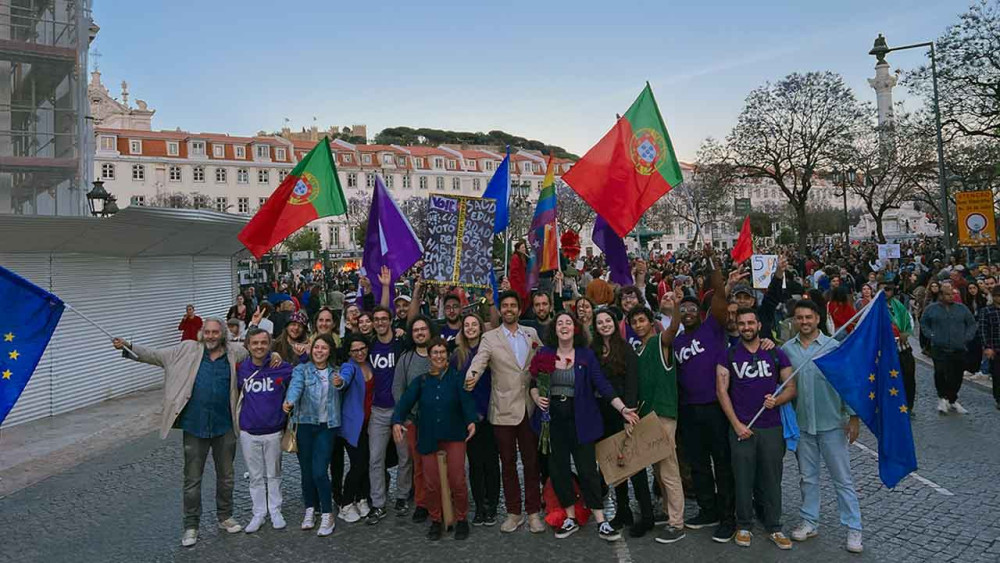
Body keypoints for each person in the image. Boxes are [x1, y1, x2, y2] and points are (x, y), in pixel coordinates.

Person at [111, 319, 282, 547]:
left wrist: (274, 356)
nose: (211, 336)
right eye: (207, 332)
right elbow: (153, 355)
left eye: (215, 332)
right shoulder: (186, 349)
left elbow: (258, 351)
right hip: (195, 426)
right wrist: (127, 345)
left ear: (223, 335)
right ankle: (191, 526)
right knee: (192, 479)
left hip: (224, 426)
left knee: (227, 477)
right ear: (202, 333)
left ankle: (225, 517)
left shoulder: (234, 353)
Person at [530, 311, 639, 542]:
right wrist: (536, 396)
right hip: (553, 422)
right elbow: (534, 383)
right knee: (558, 470)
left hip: (581, 420)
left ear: (576, 328)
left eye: (568, 322)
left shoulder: (586, 355)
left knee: (588, 470)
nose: (564, 326)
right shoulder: (545, 353)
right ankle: (570, 517)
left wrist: (623, 409)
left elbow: (603, 384)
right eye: (560, 323)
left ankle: (601, 520)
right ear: (554, 329)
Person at [781, 300, 863, 554]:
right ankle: (809, 521)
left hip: (832, 424)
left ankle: (854, 527)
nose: (804, 322)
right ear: (794, 320)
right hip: (803, 425)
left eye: (808, 317)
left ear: (817, 318)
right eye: (799, 318)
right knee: (807, 478)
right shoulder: (786, 350)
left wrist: (853, 417)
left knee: (842, 478)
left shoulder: (834, 347)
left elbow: (847, 384)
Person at [672, 248, 740, 543]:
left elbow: (720, 298)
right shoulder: (675, 342)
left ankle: (728, 516)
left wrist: (714, 265)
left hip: (715, 407)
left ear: (700, 313)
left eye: (691, 309)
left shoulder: (713, 328)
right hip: (690, 410)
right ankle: (707, 508)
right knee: (698, 463)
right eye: (682, 310)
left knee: (722, 462)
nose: (687, 314)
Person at [466, 290, 546, 534]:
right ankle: (514, 512)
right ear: (500, 311)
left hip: (529, 409)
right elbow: (480, 360)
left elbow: (544, 358)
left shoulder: (531, 334)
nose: (509, 309)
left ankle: (533, 512)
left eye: (514, 305)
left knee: (532, 464)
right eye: (505, 306)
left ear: (519, 310)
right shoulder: (489, 337)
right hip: (502, 410)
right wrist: (472, 375)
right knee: (508, 463)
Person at [716, 308, 795, 550]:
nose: (747, 327)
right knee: (742, 478)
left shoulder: (776, 353)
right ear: (737, 327)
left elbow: (791, 387)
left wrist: (778, 400)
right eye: (742, 323)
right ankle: (744, 525)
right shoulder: (728, 355)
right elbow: (722, 391)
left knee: (771, 478)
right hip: (742, 428)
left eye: (751, 322)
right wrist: (736, 424)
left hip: (771, 427)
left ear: (759, 325)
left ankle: (774, 526)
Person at [392, 338, 478, 541]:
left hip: (454, 435)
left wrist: (471, 421)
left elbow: (467, 402)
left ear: (447, 356)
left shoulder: (457, 378)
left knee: (457, 479)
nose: (439, 356)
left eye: (442, 352)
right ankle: (436, 519)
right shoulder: (421, 381)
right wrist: (397, 421)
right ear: (430, 356)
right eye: (435, 353)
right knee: (431, 482)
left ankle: (462, 518)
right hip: (429, 436)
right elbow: (404, 402)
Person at [629, 305, 687, 544]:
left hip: (663, 413)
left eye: (642, 320)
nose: (638, 325)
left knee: (669, 469)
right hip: (647, 416)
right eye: (635, 322)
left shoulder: (659, 343)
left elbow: (672, 329)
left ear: (651, 322)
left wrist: (675, 308)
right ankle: (667, 509)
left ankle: (677, 523)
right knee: (658, 470)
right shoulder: (639, 349)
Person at [592, 309, 650, 537]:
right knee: (614, 466)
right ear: (595, 327)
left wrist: (630, 412)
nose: (604, 325)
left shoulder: (626, 349)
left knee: (635, 465)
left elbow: (632, 382)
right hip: (603, 413)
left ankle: (646, 516)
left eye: (608, 321)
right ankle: (623, 510)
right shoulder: (593, 350)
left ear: (615, 324)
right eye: (600, 322)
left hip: (625, 412)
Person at [282, 333, 344, 537]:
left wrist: (339, 384)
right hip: (305, 424)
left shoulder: (336, 372)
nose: (319, 351)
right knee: (306, 471)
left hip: (328, 427)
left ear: (329, 352)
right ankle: (310, 508)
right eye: (316, 347)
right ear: (311, 349)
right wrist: (289, 402)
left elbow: (342, 384)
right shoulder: (302, 370)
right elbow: (295, 387)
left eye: (324, 348)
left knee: (319, 470)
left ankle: (327, 513)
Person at [236, 328, 294, 533]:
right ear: (248, 346)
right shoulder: (241, 369)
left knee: (274, 473)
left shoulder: (282, 367)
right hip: (248, 431)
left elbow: (302, 370)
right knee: (255, 475)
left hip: (274, 430)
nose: (259, 346)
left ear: (270, 344)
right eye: (255, 343)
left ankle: (275, 509)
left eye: (263, 343)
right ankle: (258, 512)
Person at [366, 303, 413, 524]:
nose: (380, 323)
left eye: (384, 319)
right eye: (376, 320)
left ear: (391, 320)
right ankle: (378, 503)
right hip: (378, 410)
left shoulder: (400, 344)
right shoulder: (370, 344)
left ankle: (402, 496)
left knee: (405, 457)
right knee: (375, 458)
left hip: (400, 410)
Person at [453, 313, 500, 526]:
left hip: (490, 413)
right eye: (467, 325)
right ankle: (480, 505)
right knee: (475, 464)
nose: (471, 328)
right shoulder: (458, 355)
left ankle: (492, 504)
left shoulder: (490, 351)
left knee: (491, 462)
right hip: (468, 416)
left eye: (474, 325)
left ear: (481, 328)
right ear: (462, 330)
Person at [392, 316, 436, 524]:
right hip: (414, 421)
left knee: (438, 464)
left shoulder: (439, 354)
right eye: (416, 330)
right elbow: (398, 389)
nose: (420, 333)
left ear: (430, 331)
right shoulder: (406, 358)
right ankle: (421, 503)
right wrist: (405, 418)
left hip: (438, 420)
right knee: (418, 465)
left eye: (423, 329)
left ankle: (442, 499)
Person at [920, 281, 977, 415]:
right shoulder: (931, 309)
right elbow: (924, 322)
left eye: (952, 294)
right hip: (939, 347)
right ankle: (942, 397)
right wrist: (931, 335)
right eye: (947, 294)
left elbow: (972, 324)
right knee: (940, 372)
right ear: (941, 295)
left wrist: (966, 337)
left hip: (958, 347)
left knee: (957, 375)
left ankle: (952, 399)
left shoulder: (962, 308)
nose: (950, 296)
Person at [332, 333, 372, 523]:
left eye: (362, 348)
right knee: (359, 463)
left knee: (367, 461)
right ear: (349, 352)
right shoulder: (349, 367)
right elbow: (344, 378)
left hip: (369, 423)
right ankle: (346, 503)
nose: (359, 353)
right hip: (352, 424)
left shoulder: (371, 363)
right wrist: (340, 382)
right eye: (354, 350)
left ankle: (362, 498)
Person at [979, 286, 1000, 410]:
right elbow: (982, 330)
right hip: (995, 348)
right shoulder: (987, 311)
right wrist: (987, 347)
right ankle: (998, 398)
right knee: (997, 375)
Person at [509, 240, 530, 309]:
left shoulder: (523, 257)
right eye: (522, 248)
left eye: (524, 247)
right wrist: (520, 282)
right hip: (518, 284)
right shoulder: (515, 257)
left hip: (522, 283)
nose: (524, 249)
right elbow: (514, 271)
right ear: (518, 249)